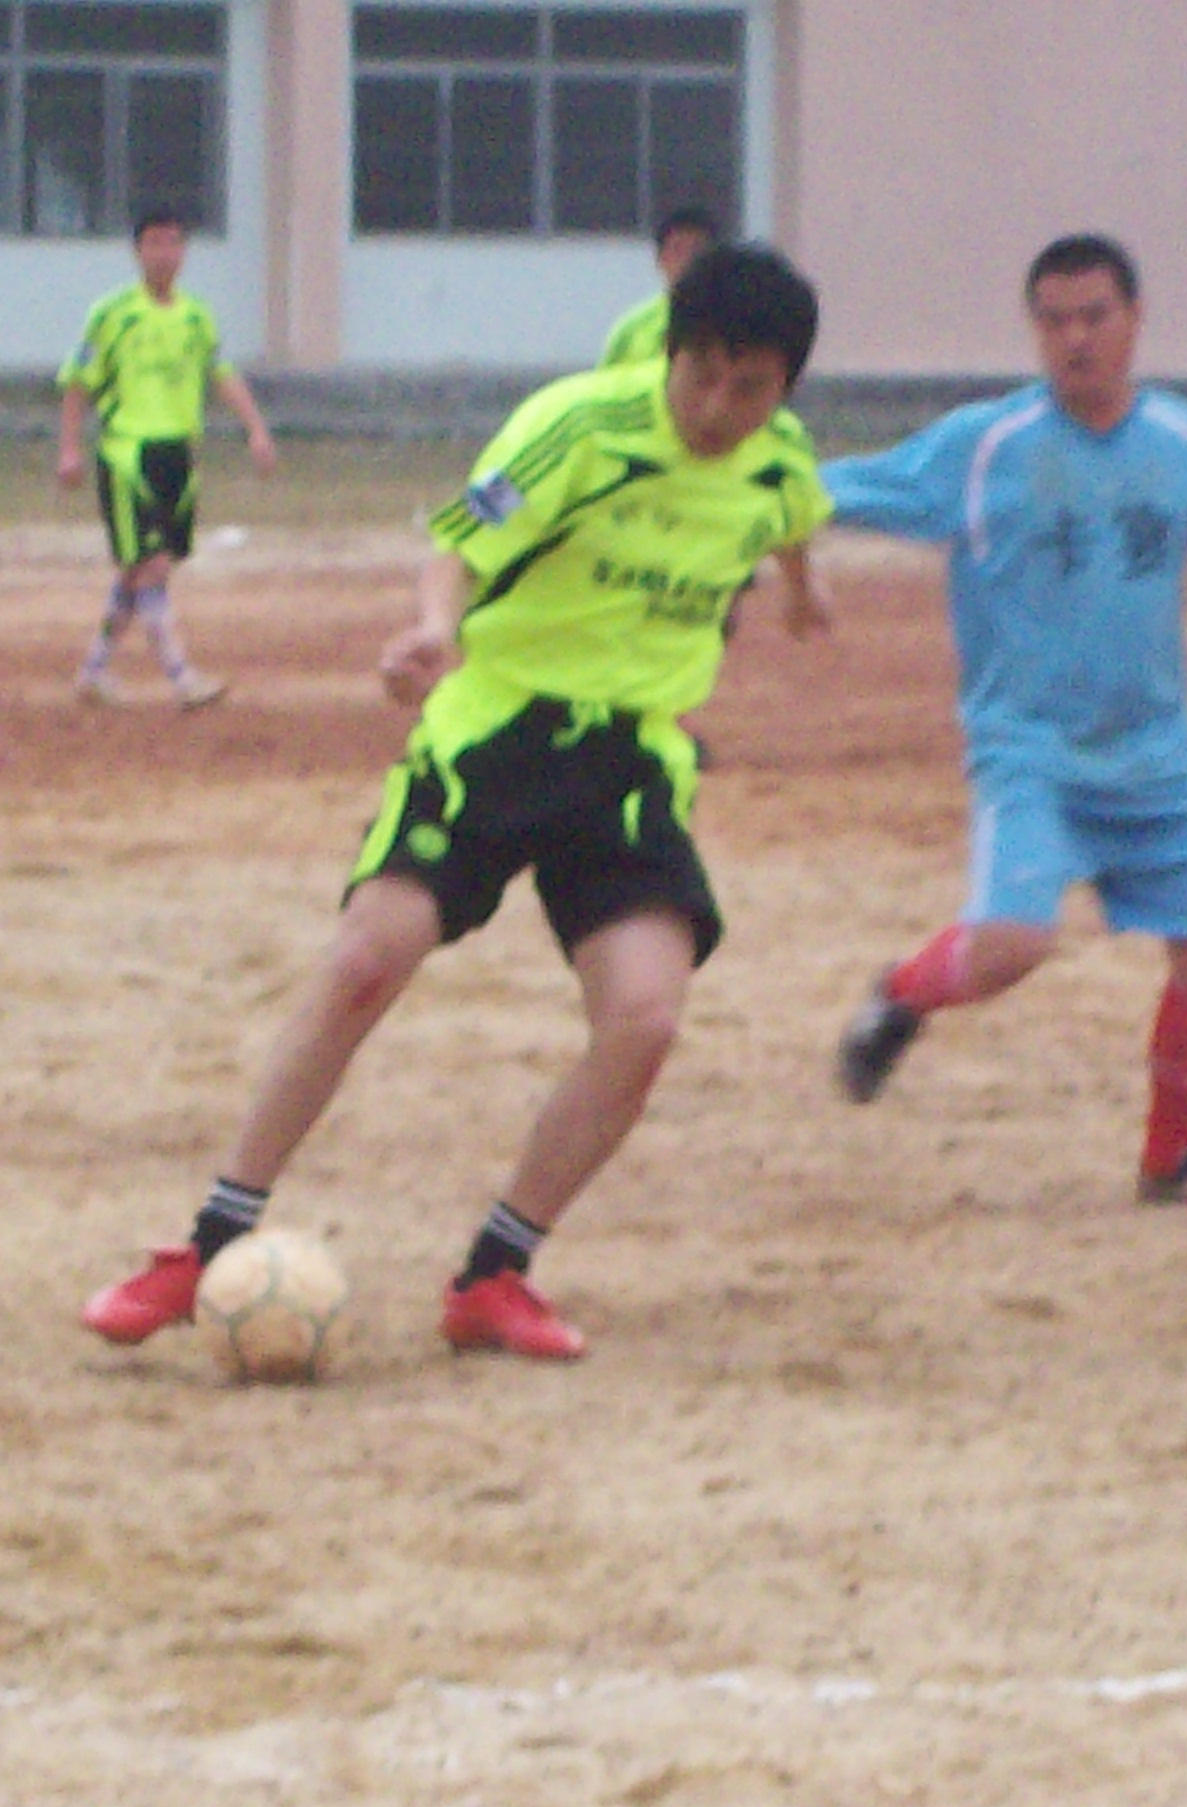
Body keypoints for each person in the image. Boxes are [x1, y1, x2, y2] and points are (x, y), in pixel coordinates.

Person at [83, 243, 832, 1364]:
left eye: (751, 388)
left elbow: (793, 518)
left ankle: (494, 1276)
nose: (718, 409)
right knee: (365, 961)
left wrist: (805, 593)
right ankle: (206, 1245)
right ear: (669, 354)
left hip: (630, 761)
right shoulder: (577, 427)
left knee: (644, 1021)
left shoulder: (779, 464)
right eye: (702, 377)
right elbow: (457, 541)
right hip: (497, 731)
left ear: (785, 390)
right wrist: (435, 628)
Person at [823, 233, 1187, 1204]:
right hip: (1029, 750)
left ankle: (1171, 1164)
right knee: (1011, 945)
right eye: (1053, 321)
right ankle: (902, 995)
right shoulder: (984, 446)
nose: (1074, 338)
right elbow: (828, 491)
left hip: (1157, 752)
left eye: (1093, 317)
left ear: (1135, 319)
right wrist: (744, 516)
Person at [57, 208, 276, 710]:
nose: (165, 254)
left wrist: (256, 429)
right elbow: (77, 382)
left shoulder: (196, 315)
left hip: (179, 453)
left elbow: (221, 373)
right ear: (137, 252)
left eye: (174, 243)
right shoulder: (113, 313)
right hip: (128, 454)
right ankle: (182, 677)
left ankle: (93, 673)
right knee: (151, 565)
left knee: (140, 571)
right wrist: (69, 449)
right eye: (154, 243)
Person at [601, 206, 721, 369]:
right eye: (677, 250)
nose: (688, 259)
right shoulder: (632, 330)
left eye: (697, 250)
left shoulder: (737, 323)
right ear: (660, 260)